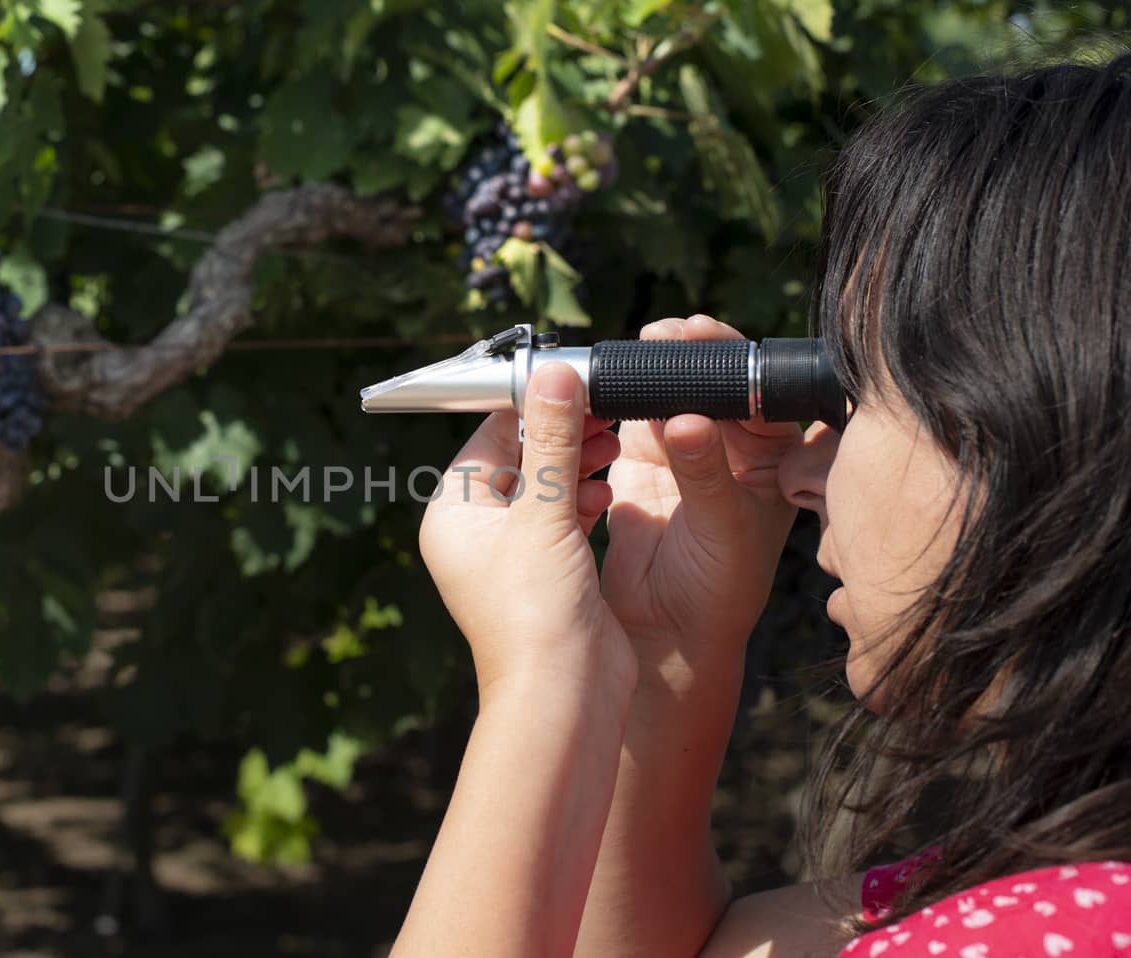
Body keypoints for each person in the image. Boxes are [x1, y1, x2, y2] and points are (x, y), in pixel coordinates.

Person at [389, 48, 1131, 958]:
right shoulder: (1059, 899)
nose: (800, 473)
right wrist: (666, 645)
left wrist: (543, 680)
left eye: (853, 396)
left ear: (1053, 420)